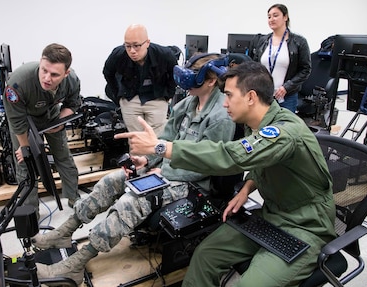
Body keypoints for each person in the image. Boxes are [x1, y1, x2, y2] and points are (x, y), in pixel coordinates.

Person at [115, 61, 336, 287]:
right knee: (204, 255)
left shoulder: (284, 131)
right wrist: (248, 186)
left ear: (251, 97)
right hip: (272, 215)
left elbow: (232, 156)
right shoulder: (255, 124)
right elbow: (265, 162)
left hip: (306, 227)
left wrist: (162, 147)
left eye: (229, 96)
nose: (225, 103)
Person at [32, 53, 238, 285]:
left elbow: (207, 164)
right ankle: (65, 231)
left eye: (193, 78)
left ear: (210, 81)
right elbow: (164, 141)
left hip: (192, 183)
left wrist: (164, 173)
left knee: (131, 201)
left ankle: (77, 262)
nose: (186, 84)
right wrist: (146, 162)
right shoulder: (187, 104)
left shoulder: (221, 116)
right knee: (112, 180)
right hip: (166, 170)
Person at [3, 43, 81, 212]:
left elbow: (73, 104)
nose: (47, 78)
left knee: (63, 157)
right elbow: (16, 120)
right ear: (40, 62)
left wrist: (59, 122)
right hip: (23, 121)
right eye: (44, 70)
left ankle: (74, 198)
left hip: (51, 116)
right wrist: (25, 146)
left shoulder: (72, 80)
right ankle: (31, 211)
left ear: (66, 73)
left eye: (54, 74)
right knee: (25, 162)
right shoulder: (17, 83)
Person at [103, 24, 178, 135]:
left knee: (156, 140)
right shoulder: (118, 55)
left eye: (136, 45)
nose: (132, 51)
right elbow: (107, 73)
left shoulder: (165, 55)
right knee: (135, 140)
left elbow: (174, 75)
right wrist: (118, 96)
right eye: (127, 46)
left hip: (156, 98)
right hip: (130, 99)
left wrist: (168, 96)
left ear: (147, 43)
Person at [250, 3, 311, 113]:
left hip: (286, 96)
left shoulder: (299, 42)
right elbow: (256, 66)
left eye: (275, 15)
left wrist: (287, 87)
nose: (271, 19)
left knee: (283, 127)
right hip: (264, 94)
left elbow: (305, 69)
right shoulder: (263, 41)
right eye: (269, 17)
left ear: (285, 17)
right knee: (263, 126)